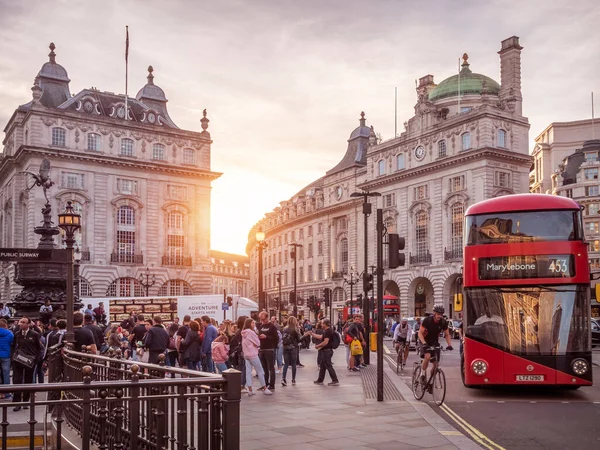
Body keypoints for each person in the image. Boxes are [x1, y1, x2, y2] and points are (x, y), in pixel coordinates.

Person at [12, 317, 43, 410]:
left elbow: (39, 348)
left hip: (30, 361)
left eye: (23, 322)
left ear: (29, 324)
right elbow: (13, 346)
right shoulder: (17, 334)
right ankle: (17, 402)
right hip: (18, 360)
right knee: (17, 380)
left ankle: (26, 400)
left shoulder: (34, 334)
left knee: (28, 380)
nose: (21, 324)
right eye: (20, 322)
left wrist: (36, 359)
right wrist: (12, 357)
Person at [417, 305, 453, 385]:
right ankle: (422, 375)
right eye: (438, 314)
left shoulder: (443, 322)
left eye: (441, 314)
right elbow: (420, 333)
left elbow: (447, 334)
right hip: (424, 340)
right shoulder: (427, 320)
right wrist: (424, 343)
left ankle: (431, 382)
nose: (439, 316)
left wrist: (449, 345)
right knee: (428, 356)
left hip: (434, 341)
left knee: (436, 364)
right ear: (434, 313)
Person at [241, 318, 271, 395]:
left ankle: (250, 389)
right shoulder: (251, 332)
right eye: (252, 323)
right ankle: (264, 388)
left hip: (246, 354)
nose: (254, 325)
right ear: (249, 324)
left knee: (248, 372)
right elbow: (258, 343)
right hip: (253, 354)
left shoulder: (243, 333)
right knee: (260, 371)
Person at [306, 318, 339, 386]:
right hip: (326, 351)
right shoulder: (327, 331)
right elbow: (321, 337)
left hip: (327, 351)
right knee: (322, 366)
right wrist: (312, 334)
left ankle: (335, 380)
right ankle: (320, 380)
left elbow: (325, 342)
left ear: (325, 324)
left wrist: (318, 346)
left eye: (322, 323)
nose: (321, 324)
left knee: (328, 366)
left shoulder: (328, 331)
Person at [256, 311, 278, 391]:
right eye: (261, 319)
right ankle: (265, 384)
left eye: (263, 319)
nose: (262, 321)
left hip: (269, 349)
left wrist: (266, 337)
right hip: (261, 349)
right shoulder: (259, 325)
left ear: (267, 318)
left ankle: (272, 384)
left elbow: (276, 338)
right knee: (263, 368)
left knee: (271, 368)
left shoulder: (272, 326)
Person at [281, 316, 301, 386]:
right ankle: (293, 379)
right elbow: (299, 339)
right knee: (293, 364)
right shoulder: (295, 329)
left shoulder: (284, 329)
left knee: (286, 364)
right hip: (293, 348)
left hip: (285, 348)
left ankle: (283, 378)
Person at [0, 319, 14, 398]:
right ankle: (7, 393)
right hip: (6, 355)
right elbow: (12, 344)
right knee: (6, 374)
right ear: (5, 325)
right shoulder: (10, 334)